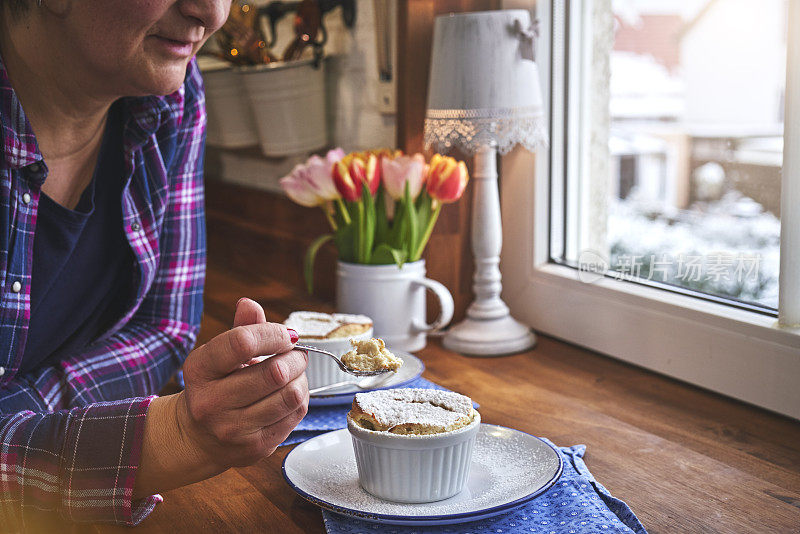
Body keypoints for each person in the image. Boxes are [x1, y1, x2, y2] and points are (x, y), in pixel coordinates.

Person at [0, 0, 309, 527]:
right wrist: (171, 439)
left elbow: (166, 327)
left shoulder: (173, 97)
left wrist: (19, 413)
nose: (210, 12)